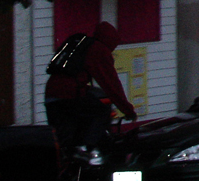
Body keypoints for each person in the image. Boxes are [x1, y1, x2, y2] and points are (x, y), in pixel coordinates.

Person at [45, 21, 136, 165]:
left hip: (51, 95)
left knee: (65, 139)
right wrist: (128, 110)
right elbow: (111, 85)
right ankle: (86, 149)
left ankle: (68, 162)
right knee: (100, 110)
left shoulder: (82, 45)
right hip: (69, 94)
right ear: (110, 40)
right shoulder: (98, 50)